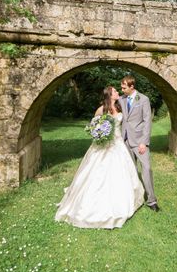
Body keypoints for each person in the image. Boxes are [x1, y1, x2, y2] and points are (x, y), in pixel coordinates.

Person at [54, 86, 144, 229]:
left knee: (121, 173)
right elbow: (93, 127)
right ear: (109, 95)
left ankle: (122, 200)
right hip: (104, 146)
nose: (117, 93)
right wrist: (101, 135)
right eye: (115, 91)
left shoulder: (120, 108)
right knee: (97, 174)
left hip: (118, 145)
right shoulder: (101, 110)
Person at [119, 75, 160, 212]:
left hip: (139, 142)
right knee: (131, 170)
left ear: (132, 86)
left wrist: (144, 142)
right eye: (121, 87)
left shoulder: (143, 99)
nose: (122, 89)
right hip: (125, 140)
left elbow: (147, 121)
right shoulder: (121, 99)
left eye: (124, 87)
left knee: (146, 168)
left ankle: (152, 200)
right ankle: (134, 197)